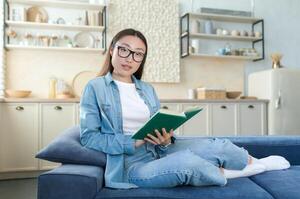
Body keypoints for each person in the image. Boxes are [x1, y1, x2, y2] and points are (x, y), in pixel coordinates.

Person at [79, 28, 290, 189]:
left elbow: (157, 124)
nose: (129, 58)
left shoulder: (147, 89)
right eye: (124, 50)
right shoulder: (95, 87)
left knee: (217, 146)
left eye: (138, 54)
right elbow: (89, 137)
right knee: (187, 163)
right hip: (130, 164)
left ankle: (256, 162)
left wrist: (166, 138)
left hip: (160, 149)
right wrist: (132, 141)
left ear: (142, 59)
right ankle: (230, 173)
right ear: (112, 49)